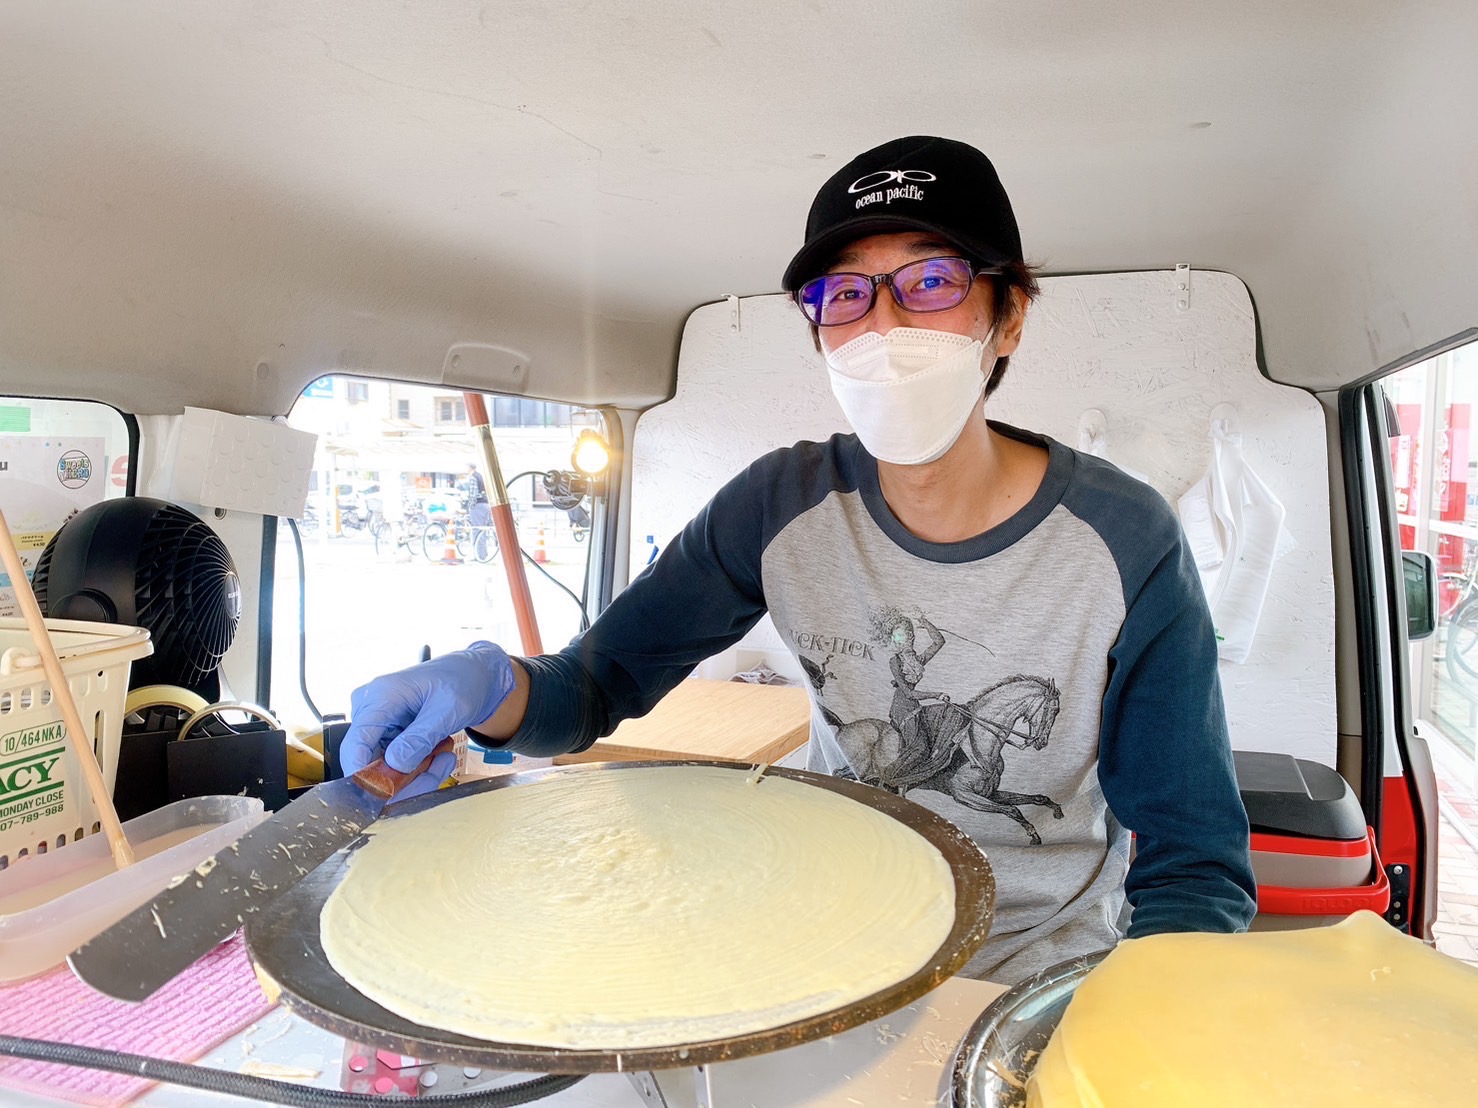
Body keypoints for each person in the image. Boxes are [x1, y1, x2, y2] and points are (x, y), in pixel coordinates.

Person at [343, 135, 1256, 985]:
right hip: (829, 937)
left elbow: (1194, 861)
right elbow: (589, 688)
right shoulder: (778, 506)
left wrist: (1153, 1014)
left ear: (1008, 317)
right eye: (846, 295)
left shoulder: (1125, 540)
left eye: (930, 281)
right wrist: (486, 681)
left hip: (1036, 973)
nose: (882, 326)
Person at [461, 462, 492, 560]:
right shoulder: (480, 476)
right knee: (483, 531)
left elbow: (473, 494)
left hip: (478, 506)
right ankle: (483, 554)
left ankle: (479, 556)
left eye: (466, 466)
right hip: (485, 505)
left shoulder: (473, 477)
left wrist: (470, 506)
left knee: (477, 530)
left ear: (470, 467)